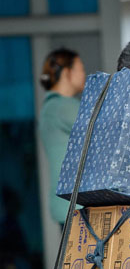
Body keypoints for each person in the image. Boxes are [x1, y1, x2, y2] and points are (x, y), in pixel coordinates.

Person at [38, 48, 87, 225]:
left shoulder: (49, 107)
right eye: (80, 68)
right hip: (76, 206)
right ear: (67, 72)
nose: (84, 74)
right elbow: (101, 131)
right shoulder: (63, 107)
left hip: (66, 203)